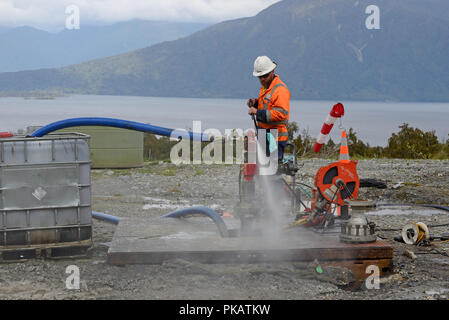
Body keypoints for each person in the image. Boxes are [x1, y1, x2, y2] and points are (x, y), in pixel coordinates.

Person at [247, 56, 291, 162]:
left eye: (265, 76)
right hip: (265, 136)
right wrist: (256, 103)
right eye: (260, 76)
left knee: (273, 169)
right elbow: (267, 105)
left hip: (275, 138)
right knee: (262, 166)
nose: (262, 79)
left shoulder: (280, 90)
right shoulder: (266, 88)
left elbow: (281, 114)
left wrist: (257, 112)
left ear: (272, 71)